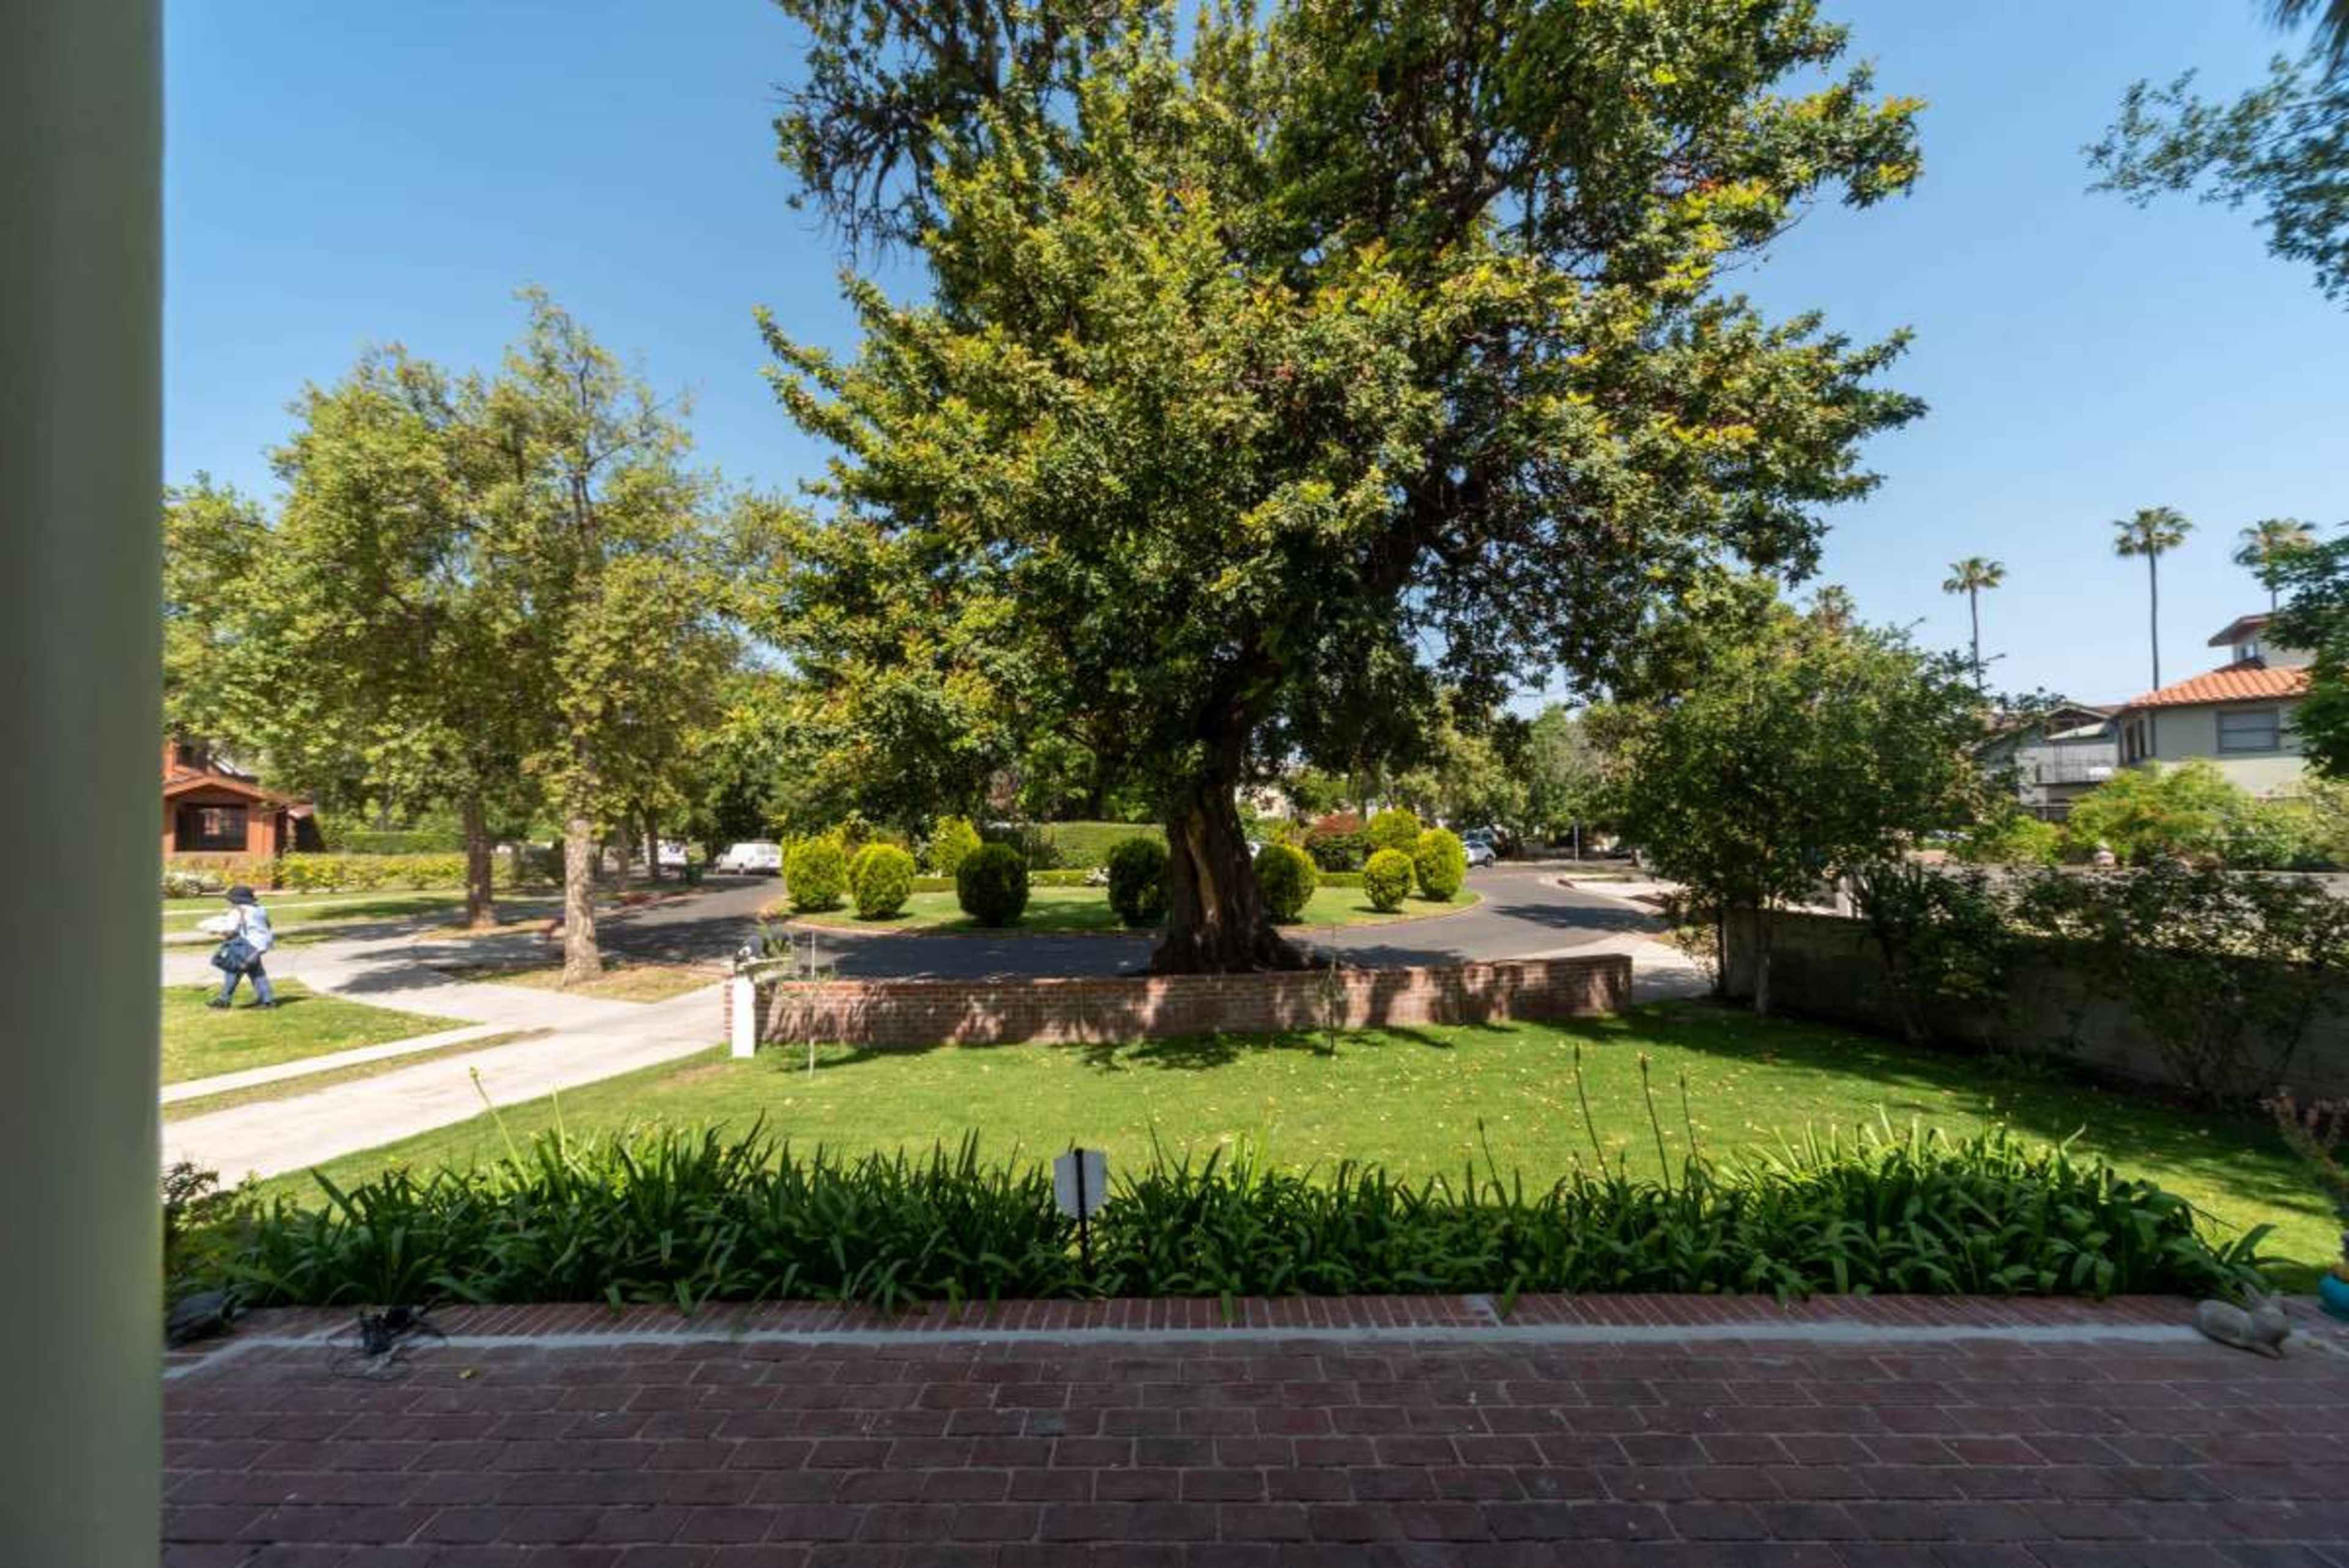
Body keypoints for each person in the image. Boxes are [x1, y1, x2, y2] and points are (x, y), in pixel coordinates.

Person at [207, 884, 276, 1009]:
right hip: (261, 944)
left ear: (236, 900)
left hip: (246, 946)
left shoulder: (238, 912)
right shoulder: (260, 909)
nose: (229, 902)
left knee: (233, 970)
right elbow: (268, 924)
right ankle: (267, 1001)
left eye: (230, 900)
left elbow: (232, 931)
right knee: (256, 972)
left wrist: (214, 931)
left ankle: (224, 1001)